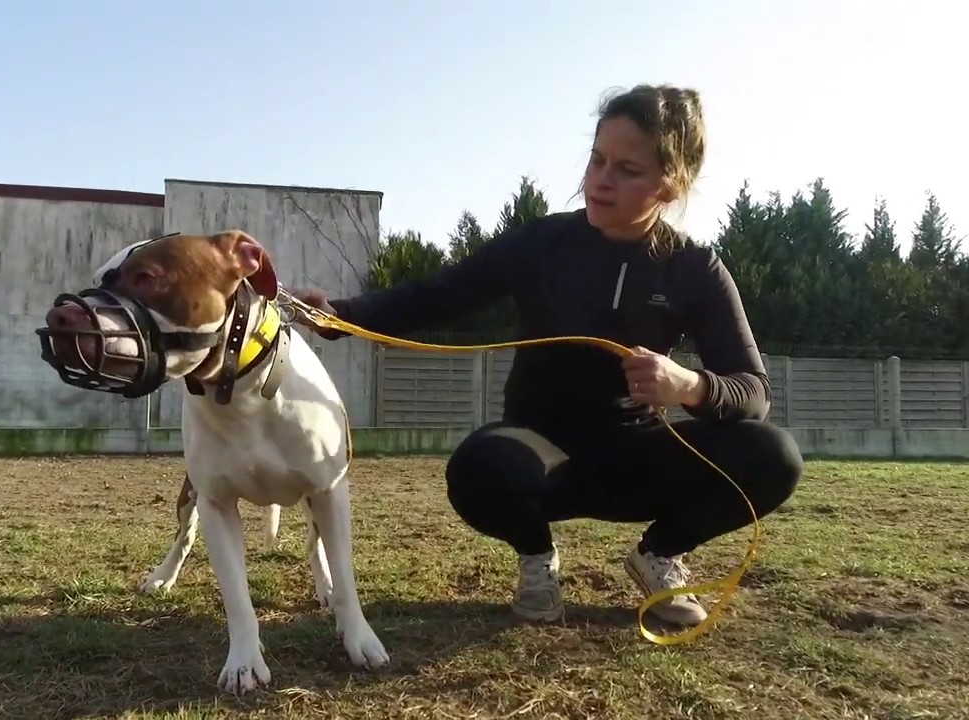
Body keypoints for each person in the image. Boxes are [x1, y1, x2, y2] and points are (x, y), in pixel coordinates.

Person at [291, 84, 803, 627]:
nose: (600, 180)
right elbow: (438, 295)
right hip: (539, 454)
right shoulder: (543, 243)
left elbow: (754, 391)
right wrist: (337, 316)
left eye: (627, 170)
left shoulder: (694, 269)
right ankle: (538, 559)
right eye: (596, 158)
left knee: (774, 456)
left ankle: (659, 555)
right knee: (477, 468)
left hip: (635, 457)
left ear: (669, 185)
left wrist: (689, 386)